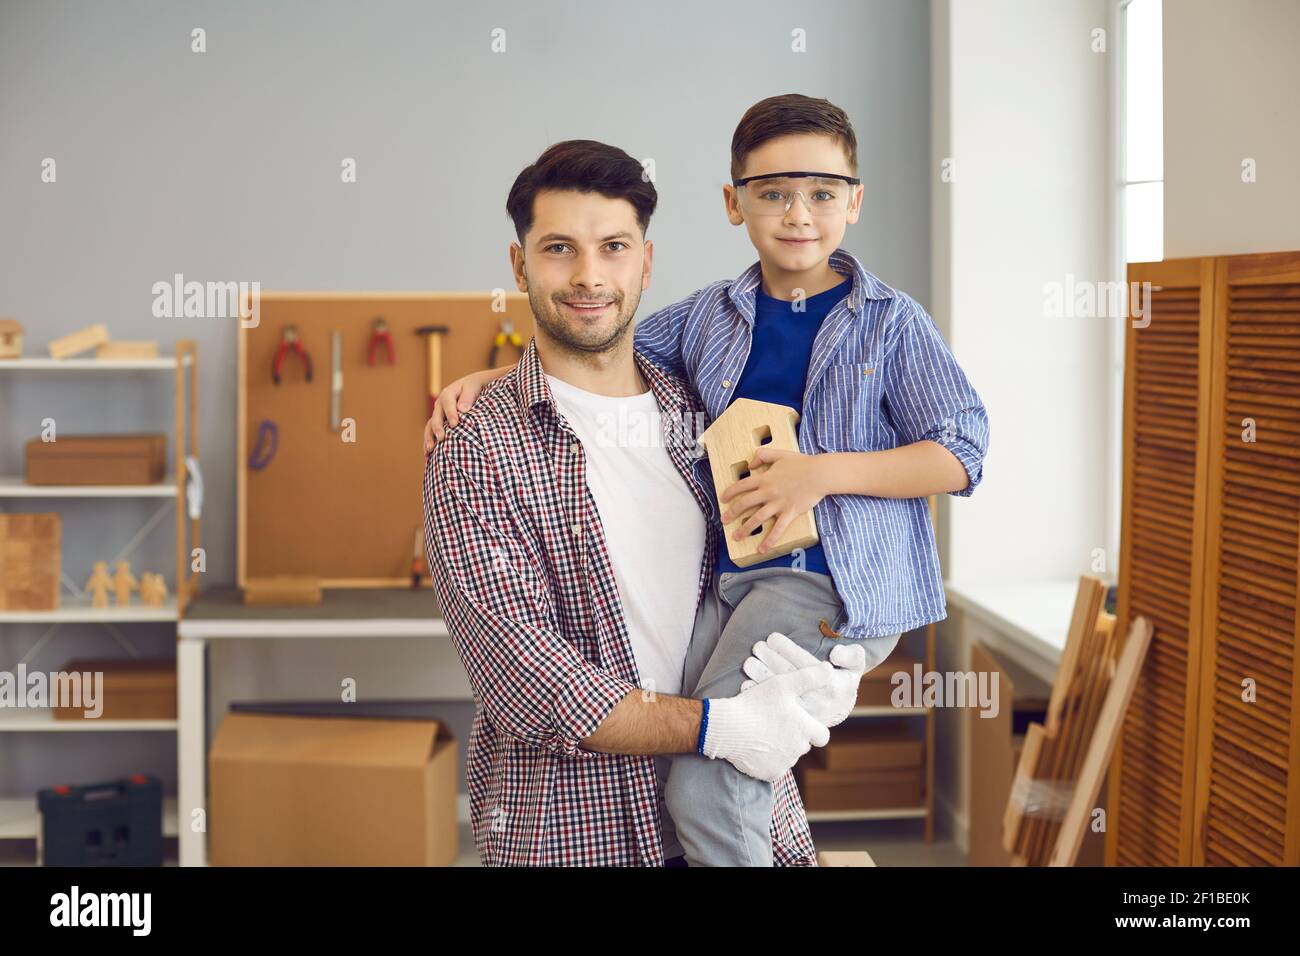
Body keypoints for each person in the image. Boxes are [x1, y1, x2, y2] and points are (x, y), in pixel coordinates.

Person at [426, 95, 990, 867]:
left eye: (614, 247)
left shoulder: (709, 390)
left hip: (794, 687)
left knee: (714, 789)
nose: (591, 275)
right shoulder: (488, 441)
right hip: (579, 832)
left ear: (645, 262)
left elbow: (962, 449)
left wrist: (813, 675)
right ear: (520, 264)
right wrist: (499, 374)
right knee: (710, 771)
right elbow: (528, 677)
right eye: (559, 249)